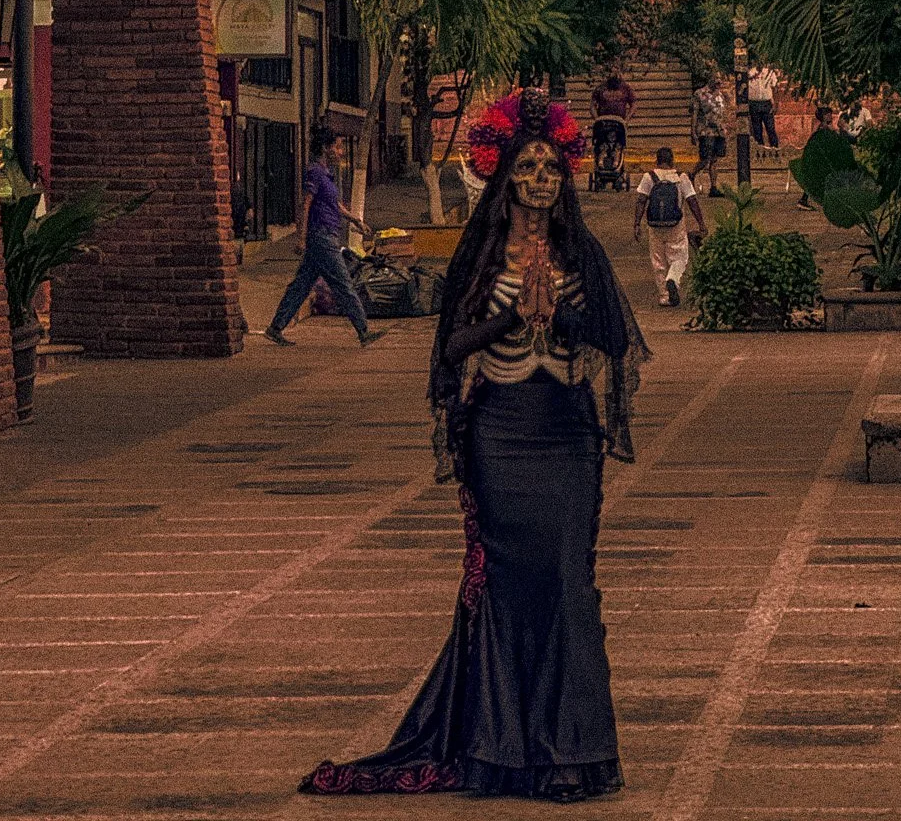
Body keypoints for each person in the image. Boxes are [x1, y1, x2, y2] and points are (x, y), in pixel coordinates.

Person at [300, 87, 648, 801]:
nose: (540, 181)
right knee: (506, 590)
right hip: (500, 435)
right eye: (528, 168)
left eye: (551, 168)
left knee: (570, 586)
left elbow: (615, 340)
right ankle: (499, 748)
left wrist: (566, 317)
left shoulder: (583, 251)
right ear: (505, 175)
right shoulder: (482, 252)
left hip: (567, 434)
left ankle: (573, 750)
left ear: (565, 176)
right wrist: (512, 318)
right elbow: (450, 347)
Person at [264, 132, 384, 349]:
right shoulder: (315, 173)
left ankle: (275, 327)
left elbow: (334, 205)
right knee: (343, 283)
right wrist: (301, 238)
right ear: (325, 148)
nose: (340, 152)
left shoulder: (326, 175)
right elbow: (305, 204)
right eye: (337, 147)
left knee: (301, 284)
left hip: (325, 235)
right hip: (321, 237)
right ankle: (363, 331)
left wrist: (355, 220)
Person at [633, 146, 705, 307]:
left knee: (658, 260)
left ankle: (664, 296)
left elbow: (641, 201)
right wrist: (701, 223)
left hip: (655, 225)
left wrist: (637, 224)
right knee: (680, 256)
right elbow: (692, 201)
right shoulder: (681, 177)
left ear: (656, 160)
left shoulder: (649, 177)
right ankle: (673, 278)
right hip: (676, 225)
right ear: (672, 160)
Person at [799, 103, 842, 209]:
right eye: (828, 114)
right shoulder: (820, 126)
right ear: (823, 116)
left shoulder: (827, 125)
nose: (831, 116)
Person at [691, 74, 728, 197]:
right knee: (705, 158)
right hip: (706, 130)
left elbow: (721, 112)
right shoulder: (699, 94)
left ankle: (713, 187)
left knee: (715, 159)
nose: (718, 84)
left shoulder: (720, 95)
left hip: (719, 130)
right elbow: (695, 113)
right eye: (716, 81)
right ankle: (691, 174)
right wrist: (693, 130)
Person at [747, 64, 780, 151]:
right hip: (754, 103)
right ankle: (759, 150)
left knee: (770, 128)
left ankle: (775, 149)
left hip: (766, 103)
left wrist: (775, 103)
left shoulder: (769, 73)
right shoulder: (750, 73)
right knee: (757, 129)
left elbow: (775, 87)